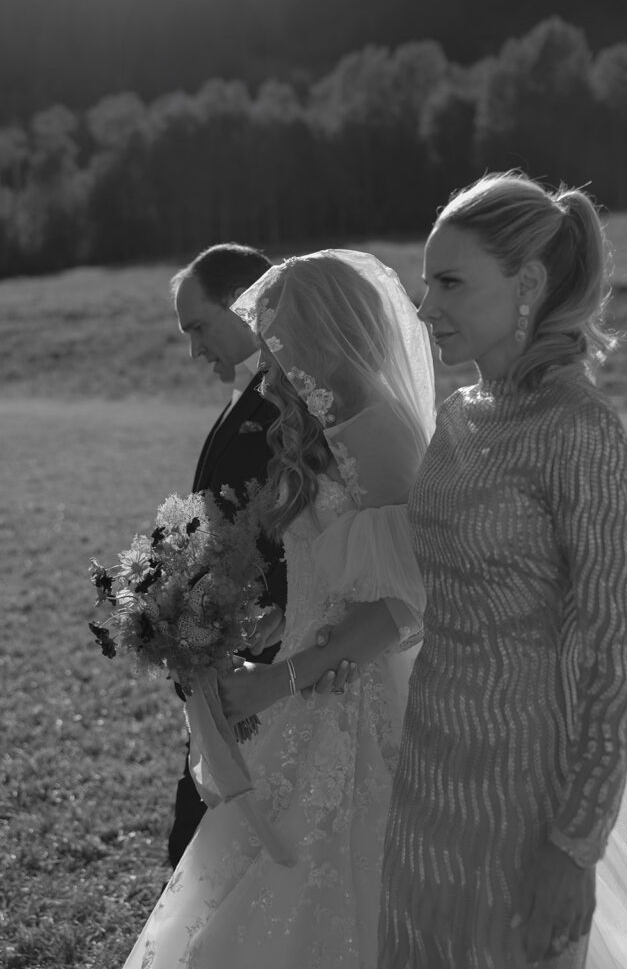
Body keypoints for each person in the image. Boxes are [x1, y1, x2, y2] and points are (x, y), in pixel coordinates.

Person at [122, 249, 435, 968]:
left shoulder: (380, 431)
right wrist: (272, 625)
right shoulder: (318, 428)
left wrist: (282, 677)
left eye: (276, 333)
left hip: (354, 701)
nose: (267, 352)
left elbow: (406, 602)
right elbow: (335, 571)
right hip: (307, 679)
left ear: (322, 329)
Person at [378, 172, 627, 969]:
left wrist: (574, 845)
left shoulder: (581, 429)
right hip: (426, 760)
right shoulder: (457, 413)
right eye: (427, 283)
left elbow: (609, 651)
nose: (426, 307)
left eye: (451, 282)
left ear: (527, 283)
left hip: (520, 791)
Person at [167, 242, 287, 867]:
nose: (193, 348)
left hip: (273, 671)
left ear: (246, 305)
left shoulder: (294, 406)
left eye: (198, 326)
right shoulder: (249, 394)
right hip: (227, 663)